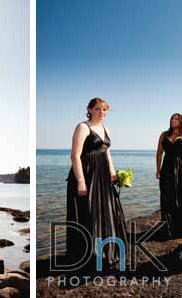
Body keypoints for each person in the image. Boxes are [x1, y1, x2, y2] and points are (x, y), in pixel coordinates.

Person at [65, 98, 127, 270]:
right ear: (90, 109)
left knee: (105, 212)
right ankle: (87, 255)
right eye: (98, 109)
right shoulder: (83, 127)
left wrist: (113, 175)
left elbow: (107, 154)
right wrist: (81, 181)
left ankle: (106, 251)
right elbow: (75, 156)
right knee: (88, 213)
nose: (102, 113)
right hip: (87, 175)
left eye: (105, 110)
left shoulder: (106, 128)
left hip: (103, 175)